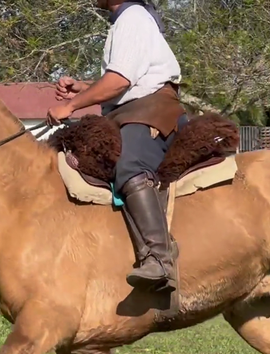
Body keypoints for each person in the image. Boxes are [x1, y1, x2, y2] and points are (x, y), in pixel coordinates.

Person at [47, 0, 187, 293]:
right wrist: (84, 89)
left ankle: (160, 259)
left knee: (130, 165)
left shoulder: (133, 17)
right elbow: (127, 81)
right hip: (130, 111)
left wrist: (71, 105)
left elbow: (119, 82)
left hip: (151, 111)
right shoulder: (125, 20)